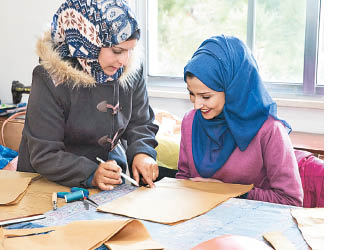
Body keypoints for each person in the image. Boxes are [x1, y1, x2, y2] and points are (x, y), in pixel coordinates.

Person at [18, 0, 175, 190]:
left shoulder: (129, 70)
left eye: (129, 50)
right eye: (117, 51)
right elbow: (45, 154)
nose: (124, 60)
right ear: (86, 40)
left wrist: (143, 152)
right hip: (49, 183)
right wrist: (90, 173)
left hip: (109, 178)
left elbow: (140, 122)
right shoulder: (50, 78)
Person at [176, 35, 303, 206]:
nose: (197, 105)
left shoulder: (269, 130)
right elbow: (183, 179)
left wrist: (230, 192)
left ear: (232, 89)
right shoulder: (190, 122)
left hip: (253, 226)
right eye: (191, 94)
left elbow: (290, 200)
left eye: (206, 96)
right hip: (202, 221)